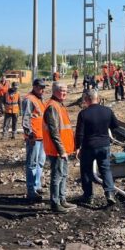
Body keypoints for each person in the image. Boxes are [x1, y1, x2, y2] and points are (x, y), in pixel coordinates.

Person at [75, 89, 118, 206]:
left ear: (87, 100)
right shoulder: (107, 111)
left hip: (88, 146)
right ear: (98, 99)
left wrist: (77, 147)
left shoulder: (83, 114)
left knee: (86, 171)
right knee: (105, 169)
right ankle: (109, 193)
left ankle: (88, 196)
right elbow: (115, 125)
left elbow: (79, 133)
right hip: (104, 145)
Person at [43, 81, 76, 213]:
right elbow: (54, 132)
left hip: (63, 150)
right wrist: (61, 150)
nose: (64, 93)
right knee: (57, 177)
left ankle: (62, 199)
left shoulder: (59, 105)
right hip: (57, 150)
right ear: (54, 91)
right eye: (62, 91)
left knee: (63, 175)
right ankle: (55, 203)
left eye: (65, 91)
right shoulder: (52, 107)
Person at [22, 78, 47, 202]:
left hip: (42, 136)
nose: (42, 90)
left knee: (40, 162)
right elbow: (26, 118)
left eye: (43, 88)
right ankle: (31, 190)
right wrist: (29, 135)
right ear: (35, 87)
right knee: (31, 163)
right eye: (40, 87)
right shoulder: (29, 99)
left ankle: (37, 185)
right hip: (34, 137)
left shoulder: (40, 99)